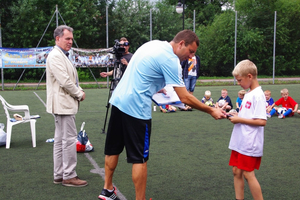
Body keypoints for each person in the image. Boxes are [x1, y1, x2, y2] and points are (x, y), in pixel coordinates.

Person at [98, 30, 226, 200]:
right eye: (191, 51)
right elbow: (184, 97)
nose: (190, 57)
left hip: (118, 101)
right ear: (181, 43)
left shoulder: (153, 44)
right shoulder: (171, 60)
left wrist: (155, 85)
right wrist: (211, 110)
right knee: (139, 159)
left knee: (113, 149)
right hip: (136, 110)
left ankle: (107, 189)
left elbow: (143, 71)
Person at [46, 25, 87, 187]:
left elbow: (70, 79)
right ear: (57, 38)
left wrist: (79, 89)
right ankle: (69, 175)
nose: (71, 41)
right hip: (63, 104)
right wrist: (79, 93)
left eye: (71, 38)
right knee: (69, 140)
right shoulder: (56, 56)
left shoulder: (60, 55)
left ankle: (59, 174)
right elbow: (65, 81)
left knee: (60, 140)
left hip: (62, 104)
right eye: (67, 38)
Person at [227, 59, 267, 200]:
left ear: (249, 76)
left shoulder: (258, 95)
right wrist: (237, 115)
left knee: (248, 173)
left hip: (250, 142)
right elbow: (249, 115)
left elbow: (262, 121)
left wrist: (239, 119)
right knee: (236, 171)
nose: (238, 83)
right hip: (240, 140)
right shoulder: (249, 93)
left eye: (239, 80)